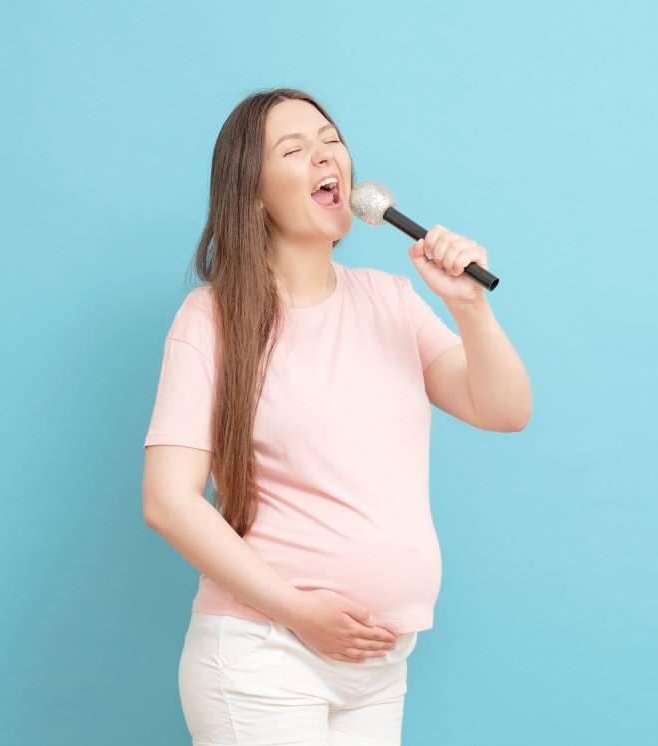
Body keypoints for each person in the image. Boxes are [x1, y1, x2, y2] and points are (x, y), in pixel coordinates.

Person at [141, 87, 530, 745]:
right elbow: (167, 502)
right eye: (294, 149)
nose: (325, 155)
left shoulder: (392, 301)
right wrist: (299, 612)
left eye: (329, 140)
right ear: (254, 194)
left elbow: (506, 410)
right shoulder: (211, 320)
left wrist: (470, 306)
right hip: (264, 654)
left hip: (377, 667)